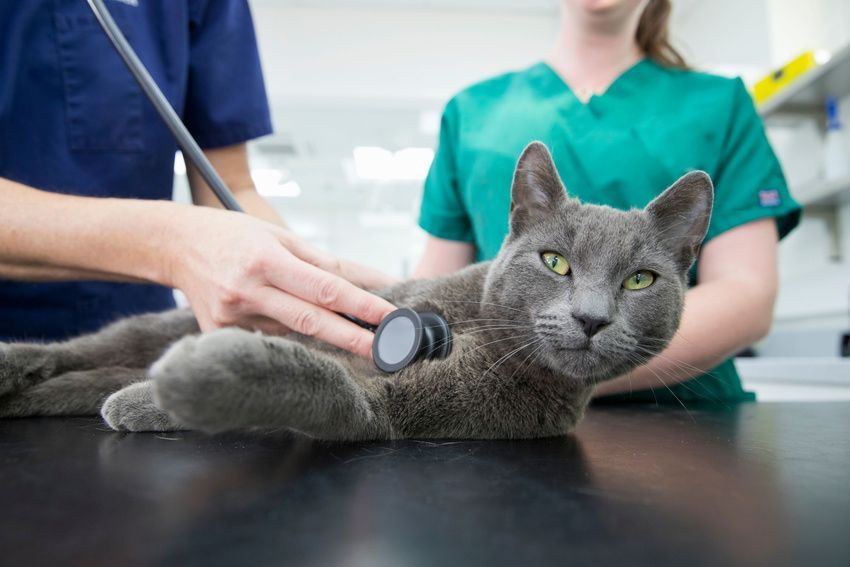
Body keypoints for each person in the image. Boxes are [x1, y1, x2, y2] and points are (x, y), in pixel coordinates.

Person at [414, 0, 801, 403]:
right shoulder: (471, 111)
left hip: (682, 423)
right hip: (496, 423)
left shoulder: (720, 104)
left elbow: (747, 294)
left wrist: (541, 380)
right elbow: (437, 288)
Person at [0, 0, 395, 357]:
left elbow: (232, 188)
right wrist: (171, 244)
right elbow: (186, 238)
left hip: (132, 351)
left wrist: (312, 287)